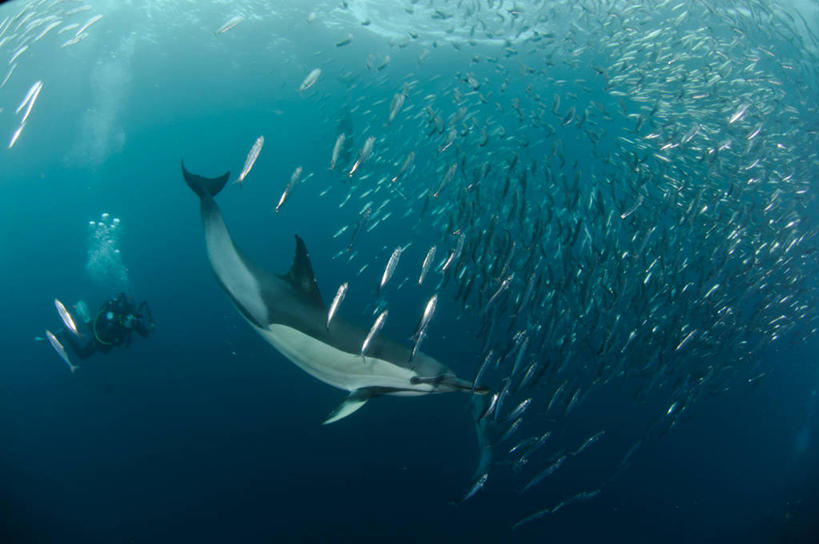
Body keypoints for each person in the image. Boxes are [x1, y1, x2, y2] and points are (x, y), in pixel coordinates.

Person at [46, 293, 155, 362]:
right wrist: (117, 322)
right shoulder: (116, 312)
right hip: (100, 334)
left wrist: (137, 324)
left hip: (108, 342)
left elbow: (145, 334)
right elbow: (100, 326)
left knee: (86, 351)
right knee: (83, 354)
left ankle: (72, 329)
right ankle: (65, 332)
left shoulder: (133, 318)